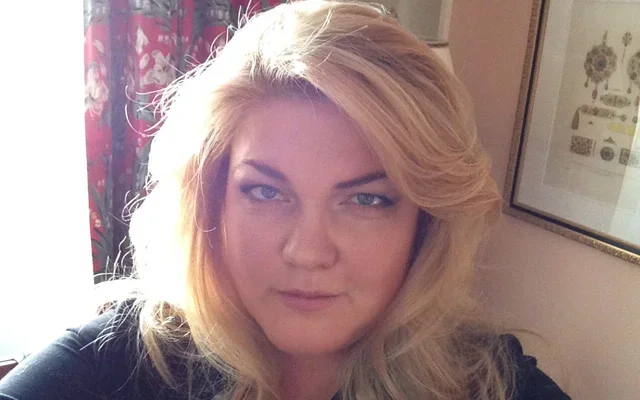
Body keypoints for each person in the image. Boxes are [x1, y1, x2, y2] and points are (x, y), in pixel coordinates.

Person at [0, 1, 571, 399]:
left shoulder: (490, 383)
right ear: (212, 200)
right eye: (266, 191)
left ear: (425, 221)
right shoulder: (116, 361)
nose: (307, 251)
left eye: (367, 200)